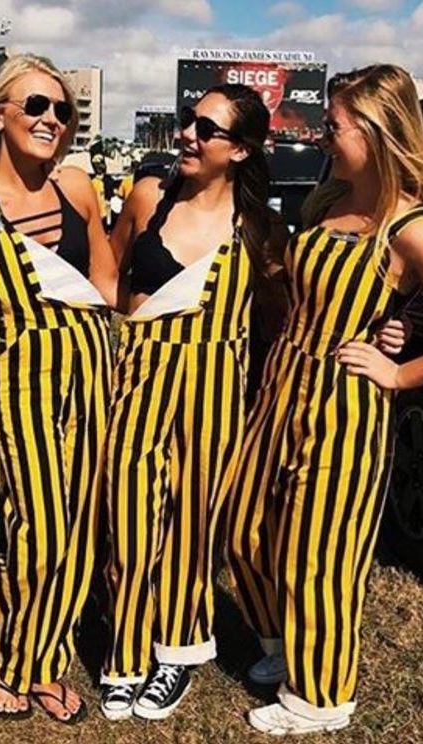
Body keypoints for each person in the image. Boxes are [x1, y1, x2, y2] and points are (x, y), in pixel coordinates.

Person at [226, 63, 423, 735]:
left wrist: (399, 374)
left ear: (377, 130)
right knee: (245, 526)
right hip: (283, 382)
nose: (321, 136)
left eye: (334, 126)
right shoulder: (326, 198)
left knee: (322, 555)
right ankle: (284, 645)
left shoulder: (408, 227)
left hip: (346, 405)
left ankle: (321, 697)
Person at [0, 53, 117, 723]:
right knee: (41, 521)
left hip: (91, 359)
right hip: (21, 365)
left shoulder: (78, 188)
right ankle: (14, 659)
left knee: (82, 518)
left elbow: (107, 282)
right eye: (36, 105)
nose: (52, 119)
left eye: (63, 110)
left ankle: (47, 658)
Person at [99, 83, 288, 720]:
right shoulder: (148, 196)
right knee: (129, 516)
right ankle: (124, 654)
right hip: (141, 377)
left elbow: (284, 315)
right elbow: (110, 277)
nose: (187, 134)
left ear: (240, 150)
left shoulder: (260, 228)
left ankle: (177, 651)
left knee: (193, 525)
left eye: (206, 128)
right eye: (188, 120)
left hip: (215, 389)